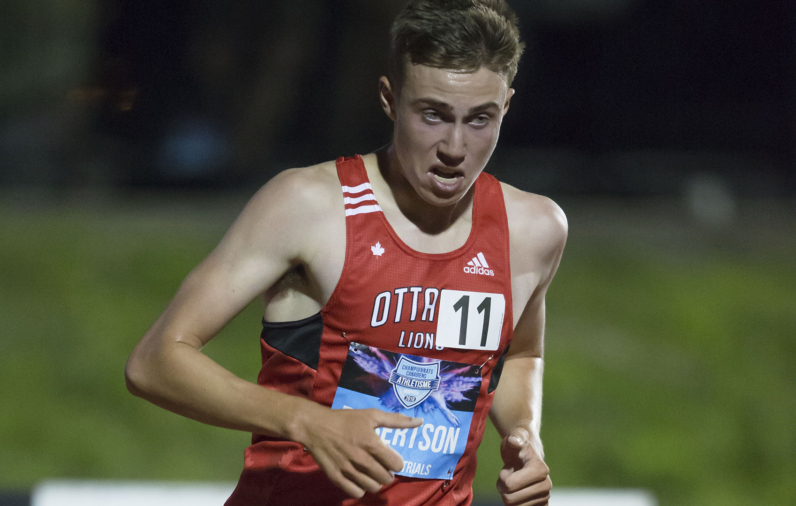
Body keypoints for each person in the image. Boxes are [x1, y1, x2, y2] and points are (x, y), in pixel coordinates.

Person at [125, 0, 566, 504]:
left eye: (480, 119)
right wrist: (310, 423)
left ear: (506, 105)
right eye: (433, 115)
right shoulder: (309, 206)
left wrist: (525, 438)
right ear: (389, 98)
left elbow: (521, 354)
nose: (455, 146)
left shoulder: (532, 229)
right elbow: (155, 361)